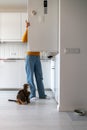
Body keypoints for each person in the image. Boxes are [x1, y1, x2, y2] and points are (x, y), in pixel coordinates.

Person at [22, 20, 48, 99]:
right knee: (30, 77)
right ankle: (32, 94)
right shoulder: (30, 32)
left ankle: (42, 94)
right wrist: (27, 28)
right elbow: (23, 40)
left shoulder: (39, 34)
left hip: (37, 56)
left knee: (39, 76)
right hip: (30, 56)